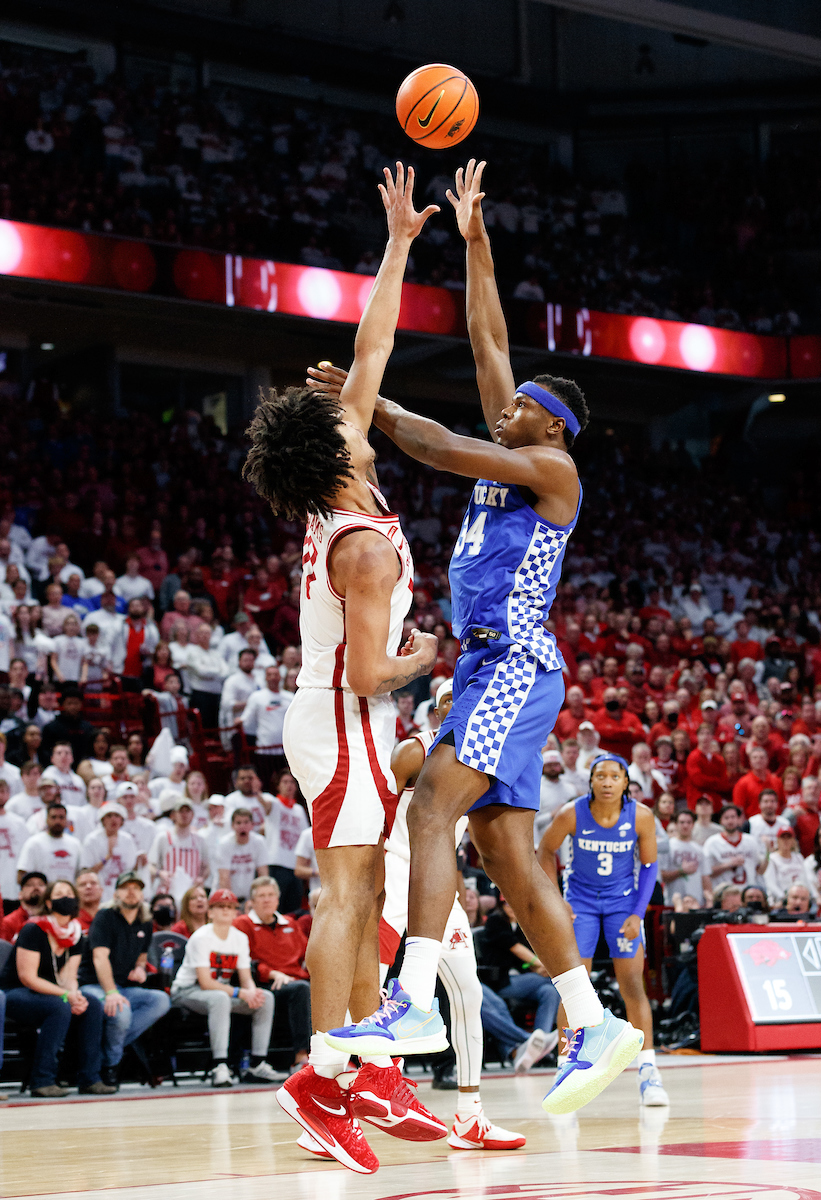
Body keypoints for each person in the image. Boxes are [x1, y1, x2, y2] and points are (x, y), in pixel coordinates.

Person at [327, 159, 640, 1122]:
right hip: (484, 669)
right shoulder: (519, 443)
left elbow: (438, 446)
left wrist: (370, 403)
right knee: (507, 856)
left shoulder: (549, 469)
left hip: (513, 661)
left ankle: (413, 998)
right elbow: (488, 337)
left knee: (431, 805)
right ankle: (596, 1023)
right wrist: (475, 241)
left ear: (556, 424)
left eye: (520, 405)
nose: (503, 408)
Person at [244, 163, 445, 1171]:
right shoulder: (361, 546)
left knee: (363, 894)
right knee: (346, 894)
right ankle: (324, 1078)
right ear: (334, 458)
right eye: (337, 422)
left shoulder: (348, 468)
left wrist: (400, 242)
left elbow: (372, 347)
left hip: (339, 719)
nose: (348, 411)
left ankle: (367, 1070)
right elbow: (369, 674)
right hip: (345, 715)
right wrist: (420, 657)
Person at [382, 676, 524, 1149]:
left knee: (468, 993)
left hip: (440, 883)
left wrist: (463, 888)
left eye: (462, 699)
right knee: (367, 991)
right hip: (394, 873)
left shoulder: (479, 759)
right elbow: (375, 819)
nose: (455, 706)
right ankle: (335, 1100)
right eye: (447, 700)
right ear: (434, 710)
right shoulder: (413, 751)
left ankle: (469, 1115)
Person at [537, 753, 666, 1106]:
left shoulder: (641, 816)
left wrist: (637, 913)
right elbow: (545, 851)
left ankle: (648, 1071)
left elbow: (650, 867)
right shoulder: (572, 813)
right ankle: (565, 1068)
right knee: (573, 987)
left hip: (622, 904)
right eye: (601, 776)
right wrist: (557, 900)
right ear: (591, 781)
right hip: (580, 904)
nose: (607, 782)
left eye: (614, 776)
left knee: (633, 985)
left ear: (626, 782)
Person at [0, 879, 114, 1096]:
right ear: (49, 903)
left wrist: (75, 995)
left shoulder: (76, 934)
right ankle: (42, 1080)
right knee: (59, 1006)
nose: (66, 898)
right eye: (60, 894)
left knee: (92, 1005)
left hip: (52, 993)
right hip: (16, 993)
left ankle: (90, 1078)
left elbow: (69, 977)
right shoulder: (34, 928)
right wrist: (66, 995)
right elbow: (27, 978)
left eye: (70, 894)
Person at [171, 888, 281, 1087]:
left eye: (230, 907)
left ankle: (257, 1064)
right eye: (220, 906)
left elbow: (246, 978)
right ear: (210, 912)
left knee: (265, 998)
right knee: (219, 998)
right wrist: (241, 992)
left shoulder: (240, 938)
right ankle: (220, 1066)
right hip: (187, 992)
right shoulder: (201, 937)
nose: (225, 910)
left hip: (220, 992)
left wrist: (252, 992)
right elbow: (205, 982)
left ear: (235, 913)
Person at [77, 872, 171, 1086]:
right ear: (116, 894)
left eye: (136, 888)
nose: (131, 892)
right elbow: (100, 958)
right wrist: (111, 992)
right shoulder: (105, 917)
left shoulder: (145, 921)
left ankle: (102, 1052)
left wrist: (139, 968)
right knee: (121, 1012)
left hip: (123, 986)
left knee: (160, 1000)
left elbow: (142, 957)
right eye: (125, 888)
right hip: (93, 985)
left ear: (142, 894)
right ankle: (111, 1065)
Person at [233, 876, 311, 1073]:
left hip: (296, 979)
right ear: (252, 901)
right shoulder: (243, 924)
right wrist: (272, 973)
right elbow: (245, 961)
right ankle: (301, 1058)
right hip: (265, 983)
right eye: (261, 896)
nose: (266, 900)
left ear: (277, 899)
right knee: (301, 990)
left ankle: (342, 1056)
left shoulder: (291, 923)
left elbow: (308, 955)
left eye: (270, 895)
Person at [259, 770, 309, 913]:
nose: (289, 785)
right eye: (285, 782)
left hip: (295, 866)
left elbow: (305, 838)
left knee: (294, 909)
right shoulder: (274, 804)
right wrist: (256, 791)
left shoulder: (299, 810)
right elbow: (265, 804)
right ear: (278, 785)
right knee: (276, 907)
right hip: (277, 864)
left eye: (292, 782)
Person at [149, 798, 209, 905]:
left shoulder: (199, 840)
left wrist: (201, 878)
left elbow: (206, 867)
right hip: (168, 893)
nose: (184, 815)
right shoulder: (163, 838)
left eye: (187, 811)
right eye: (181, 811)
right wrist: (160, 873)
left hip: (191, 894)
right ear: (173, 815)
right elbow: (150, 866)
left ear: (192, 815)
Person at [240, 664, 292, 784]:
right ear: (265, 678)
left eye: (275, 674)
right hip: (264, 749)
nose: (273, 677)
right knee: (265, 782)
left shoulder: (289, 697)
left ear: (280, 677)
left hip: (285, 749)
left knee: (288, 782)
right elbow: (246, 720)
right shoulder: (257, 697)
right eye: (270, 675)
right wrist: (239, 721)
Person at [81, 803, 139, 903]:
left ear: (122, 820)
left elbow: (131, 869)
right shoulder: (91, 840)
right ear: (102, 820)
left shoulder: (127, 840)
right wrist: (107, 856)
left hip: (121, 894)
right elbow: (86, 872)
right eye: (109, 816)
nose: (113, 819)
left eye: (117, 816)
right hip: (99, 895)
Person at [17, 801, 82, 883]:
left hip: (68, 890)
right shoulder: (34, 843)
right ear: (46, 819)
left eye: (61, 817)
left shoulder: (75, 844)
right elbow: (21, 874)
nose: (57, 821)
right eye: (53, 817)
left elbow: (81, 873)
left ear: (66, 820)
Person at [704, 804, 765, 889]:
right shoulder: (712, 843)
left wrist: (768, 852)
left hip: (748, 891)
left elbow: (760, 869)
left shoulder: (751, 841)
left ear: (739, 819)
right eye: (726, 818)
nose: (730, 821)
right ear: (721, 821)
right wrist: (727, 865)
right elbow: (706, 872)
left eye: (733, 817)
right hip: (723, 891)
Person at [217, 806, 269, 901]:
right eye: (238, 823)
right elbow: (224, 878)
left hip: (248, 897)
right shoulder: (224, 844)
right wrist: (231, 903)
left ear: (252, 825)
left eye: (246, 822)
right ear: (232, 826)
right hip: (226, 895)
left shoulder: (259, 842)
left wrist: (259, 898)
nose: (242, 826)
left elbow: (263, 874)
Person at [661, 808, 709, 907]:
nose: (685, 825)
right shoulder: (668, 846)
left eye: (688, 822)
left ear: (693, 825)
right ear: (676, 824)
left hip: (697, 902)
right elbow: (661, 875)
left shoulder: (699, 849)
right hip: (673, 901)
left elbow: (705, 877)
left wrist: (708, 899)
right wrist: (681, 871)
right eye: (682, 822)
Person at [0, 778, 28, 905]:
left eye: (3, 791)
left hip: (12, 887)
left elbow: (25, 855)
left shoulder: (19, 823)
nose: (1, 795)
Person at [764, 827, 808, 906]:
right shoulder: (772, 859)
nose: (786, 841)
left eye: (789, 838)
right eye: (783, 838)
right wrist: (785, 898)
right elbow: (770, 884)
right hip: (780, 900)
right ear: (778, 840)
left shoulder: (799, 857)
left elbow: (805, 879)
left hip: (799, 898)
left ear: (793, 840)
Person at [1, 870, 46, 939]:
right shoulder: (9, 923)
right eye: (30, 885)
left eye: (41, 884)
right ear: (20, 894)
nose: (36, 887)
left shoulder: (54, 919)